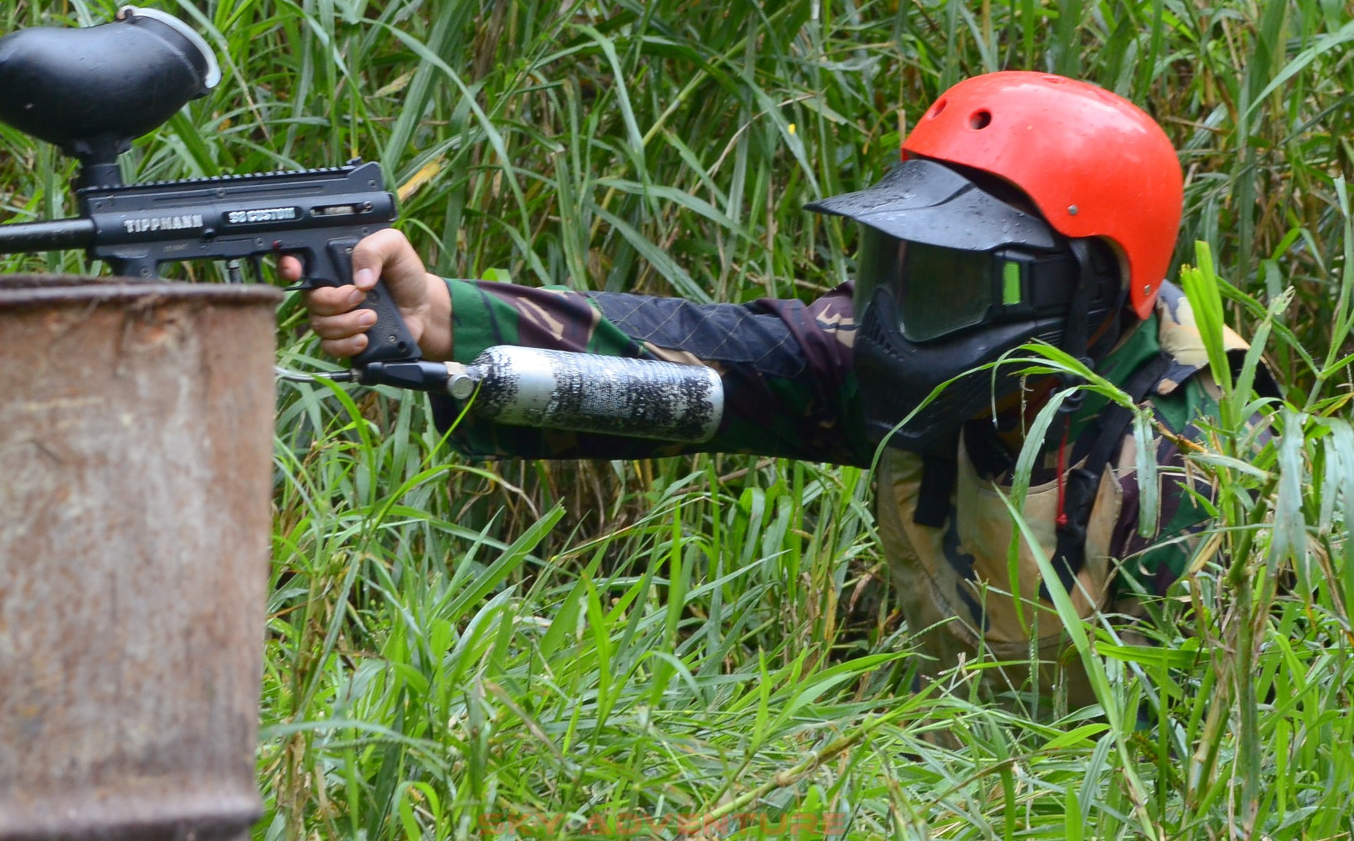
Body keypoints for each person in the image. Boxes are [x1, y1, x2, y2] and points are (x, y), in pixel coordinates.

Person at [281, 72, 1268, 702]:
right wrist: (442, 314)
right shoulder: (901, 357)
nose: (899, 318)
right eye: (898, 266)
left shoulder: (1215, 448)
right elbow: (712, 358)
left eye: (960, 282)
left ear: (1091, 290)